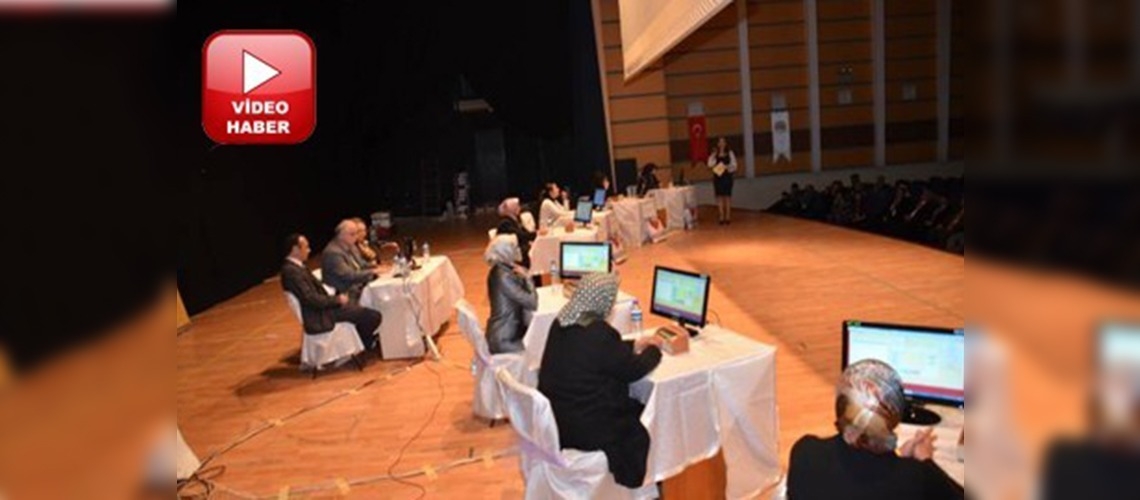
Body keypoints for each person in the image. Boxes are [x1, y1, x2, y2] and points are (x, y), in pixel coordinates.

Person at [538, 273, 664, 488]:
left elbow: (600, 355)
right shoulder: (599, 333)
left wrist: (634, 345)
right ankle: (644, 484)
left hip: (558, 417)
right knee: (645, 415)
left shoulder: (562, 321)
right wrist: (654, 349)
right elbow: (633, 370)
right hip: (585, 427)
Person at [787, 359, 964, 499]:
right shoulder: (916, 479)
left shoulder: (804, 452)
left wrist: (903, 460)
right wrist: (926, 461)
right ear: (895, 415)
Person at [280, 233, 382, 352]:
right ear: (295, 249)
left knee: (362, 308)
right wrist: (336, 300)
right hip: (320, 314)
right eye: (306, 247)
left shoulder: (297, 267)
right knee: (372, 316)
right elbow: (310, 298)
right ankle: (364, 343)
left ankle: (362, 341)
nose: (309, 250)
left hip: (324, 307)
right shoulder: (291, 272)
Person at [483, 235, 538, 354]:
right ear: (506, 252)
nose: (519, 249)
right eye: (515, 247)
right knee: (541, 350)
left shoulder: (504, 269)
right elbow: (532, 302)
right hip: (505, 339)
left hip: (510, 332)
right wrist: (528, 278)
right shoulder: (503, 276)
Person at [321, 219, 385, 304]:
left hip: (358, 286)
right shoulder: (333, 253)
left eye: (356, 233)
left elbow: (361, 264)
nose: (356, 237)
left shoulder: (350, 245)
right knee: (379, 297)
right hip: (346, 294)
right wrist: (373, 272)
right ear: (341, 235)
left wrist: (377, 267)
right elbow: (349, 276)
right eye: (352, 234)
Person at [495, 197, 541, 269]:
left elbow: (525, 233)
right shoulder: (505, 223)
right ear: (512, 209)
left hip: (519, 249)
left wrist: (537, 233)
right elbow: (520, 236)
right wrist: (536, 234)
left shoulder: (516, 220)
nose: (520, 208)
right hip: (512, 252)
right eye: (517, 206)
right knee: (535, 253)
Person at [707, 137, 737, 225]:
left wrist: (727, 167)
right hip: (718, 177)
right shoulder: (715, 154)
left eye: (723, 142)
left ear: (726, 143)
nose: (721, 144)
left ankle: (728, 216)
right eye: (720, 142)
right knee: (719, 196)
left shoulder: (730, 153)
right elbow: (709, 164)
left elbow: (734, 165)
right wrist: (713, 155)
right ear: (718, 144)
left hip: (727, 177)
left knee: (727, 196)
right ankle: (721, 216)